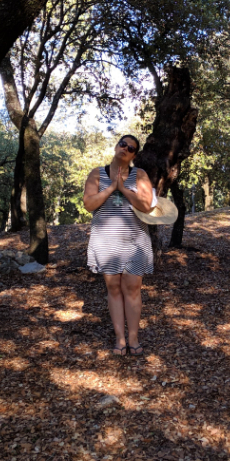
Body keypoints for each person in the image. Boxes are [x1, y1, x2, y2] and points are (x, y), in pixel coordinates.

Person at [83, 134, 154, 357]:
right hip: (106, 240)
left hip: (135, 240)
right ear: (116, 146)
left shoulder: (140, 175)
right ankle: (120, 338)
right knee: (113, 288)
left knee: (132, 288)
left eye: (131, 148)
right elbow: (88, 204)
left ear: (134, 155)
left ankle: (133, 338)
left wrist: (124, 189)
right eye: (123, 144)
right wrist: (111, 187)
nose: (125, 149)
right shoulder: (97, 173)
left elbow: (147, 206)